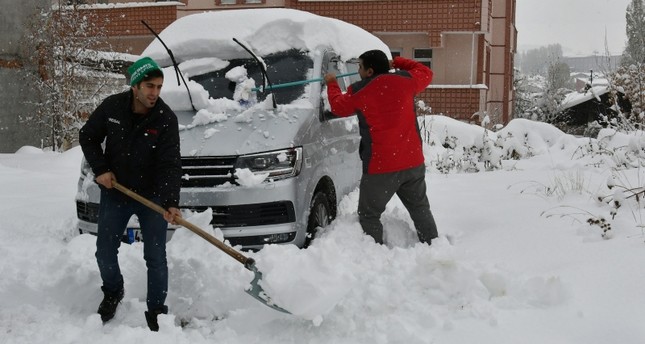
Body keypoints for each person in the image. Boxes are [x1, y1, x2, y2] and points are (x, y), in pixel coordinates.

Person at [79, 57, 182, 331]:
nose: (155, 93)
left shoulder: (165, 118)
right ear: (135, 86)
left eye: (159, 87)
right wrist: (101, 169)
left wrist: (171, 201)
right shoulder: (113, 107)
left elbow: (170, 163)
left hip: (152, 196)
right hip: (117, 191)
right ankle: (113, 291)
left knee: (156, 256)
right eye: (149, 86)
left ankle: (157, 309)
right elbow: (87, 136)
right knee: (104, 251)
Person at [324, 50, 438, 245]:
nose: (357, 70)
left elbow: (337, 107)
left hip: (380, 168)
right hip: (412, 162)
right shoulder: (407, 81)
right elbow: (425, 71)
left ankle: (373, 252)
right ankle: (433, 247)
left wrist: (332, 83)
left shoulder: (359, 91)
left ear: (369, 71)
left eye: (360, 66)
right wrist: (398, 62)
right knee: (420, 209)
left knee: (369, 214)